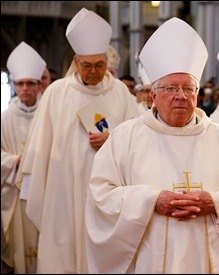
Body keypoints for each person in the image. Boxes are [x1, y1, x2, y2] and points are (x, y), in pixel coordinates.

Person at [85, 17, 219, 274]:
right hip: (149, 259)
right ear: (153, 95)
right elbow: (101, 194)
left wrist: (214, 202)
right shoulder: (125, 137)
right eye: (170, 88)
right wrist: (152, 200)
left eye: (188, 88)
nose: (180, 95)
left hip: (208, 260)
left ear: (197, 94)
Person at [18, 8, 140, 273]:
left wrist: (112, 139)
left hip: (107, 191)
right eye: (87, 65)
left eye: (99, 65)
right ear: (76, 61)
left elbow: (138, 139)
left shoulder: (120, 92)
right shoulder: (56, 93)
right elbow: (40, 146)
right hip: (63, 189)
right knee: (63, 251)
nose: (94, 71)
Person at [1, 41, 46, 274]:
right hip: (15, 193)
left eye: (30, 83)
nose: (25, 88)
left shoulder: (49, 116)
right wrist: (14, 161)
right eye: (20, 83)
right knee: (19, 246)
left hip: (44, 192)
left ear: (39, 86)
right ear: (14, 86)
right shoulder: (4, 118)